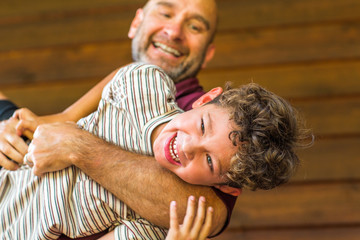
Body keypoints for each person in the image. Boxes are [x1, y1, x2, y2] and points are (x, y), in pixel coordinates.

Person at [1, 62, 308, 239]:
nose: (187, 147)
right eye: (202, 126)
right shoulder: (145, 84)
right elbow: (132, 75)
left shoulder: (163, 221)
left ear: (224, 186)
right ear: (204, 99)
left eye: (210, 160)